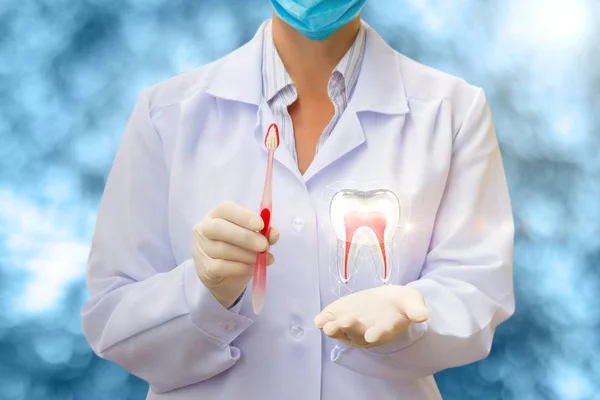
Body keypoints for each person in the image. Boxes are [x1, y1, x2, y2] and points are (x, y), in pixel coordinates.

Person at [80, 1, 515, 399]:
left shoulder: (452, 111)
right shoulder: (167, 113)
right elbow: (113, 319)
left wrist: (409, 317)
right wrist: (204, 292)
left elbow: (476, 292)